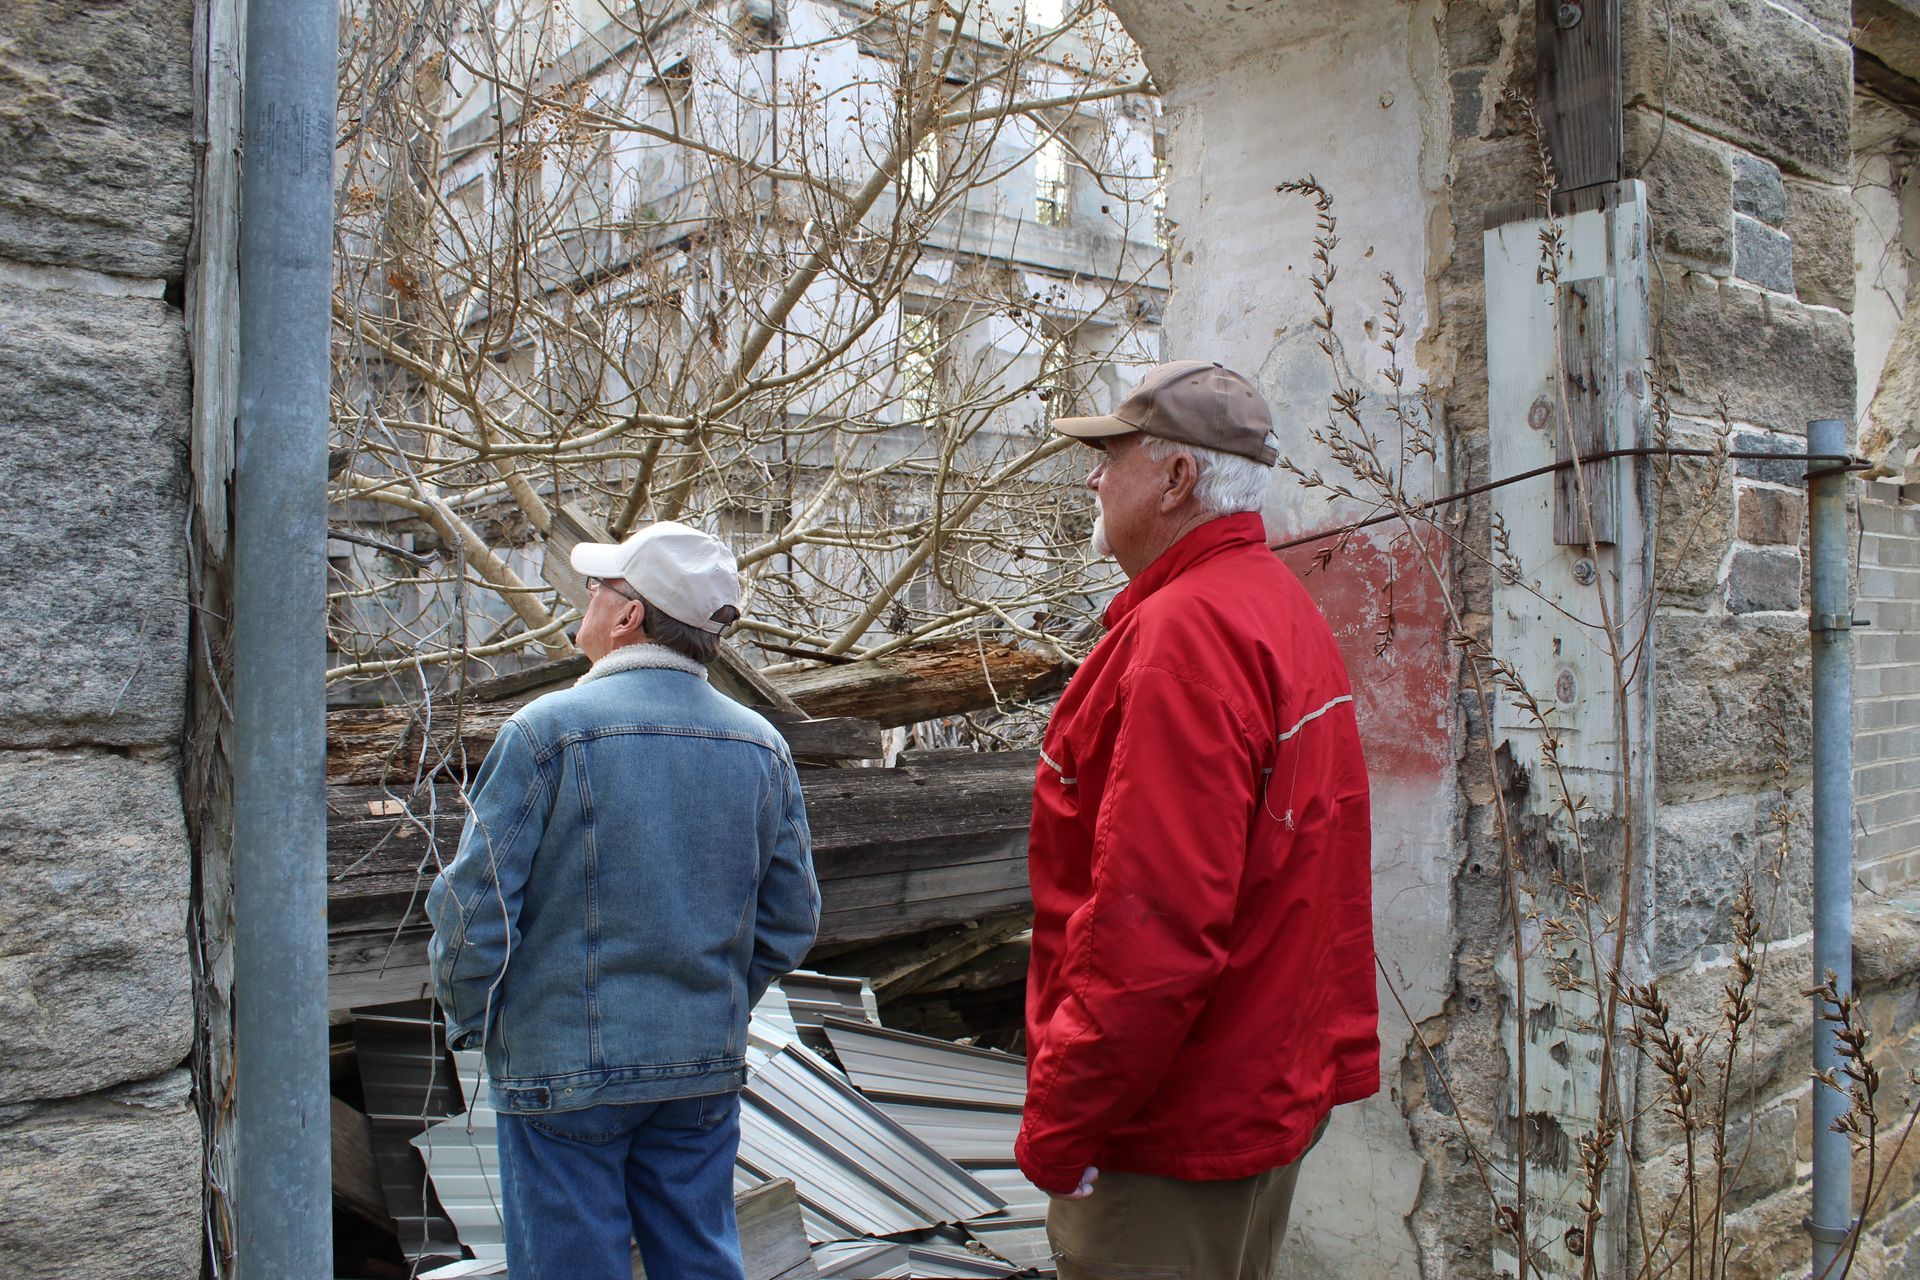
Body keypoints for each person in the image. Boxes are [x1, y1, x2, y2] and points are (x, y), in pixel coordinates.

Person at [1015, 360, 1378, 1278]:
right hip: (1254, 1089)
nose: (1094, 479)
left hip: (1172, 1129)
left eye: (1112, 457)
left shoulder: (1183, 639)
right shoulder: (1274, 604)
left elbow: (1152, 936)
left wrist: (1060, 1125)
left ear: (1177, 479)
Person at [426, 520, 819, 1280]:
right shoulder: (761, 745)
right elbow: (792, 919)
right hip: (699, 1065)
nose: (586, 598)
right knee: (701, 1264)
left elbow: (473, 911)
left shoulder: (546, 732)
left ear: (630, 615)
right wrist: (714, 1004)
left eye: (597, 587)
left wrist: (477, 1017)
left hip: (561, 1070)